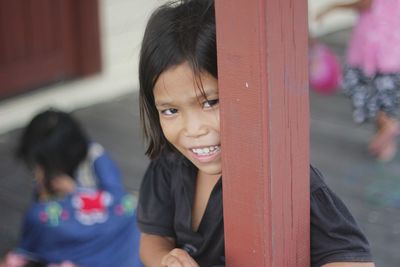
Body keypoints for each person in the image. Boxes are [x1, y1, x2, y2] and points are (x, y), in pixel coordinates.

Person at [136, 0, 376, 266]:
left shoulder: (288, 183)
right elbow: (153, 236)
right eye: (170, 111)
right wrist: (164, 260)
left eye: (211, 102)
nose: (193, 129)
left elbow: (353, 261)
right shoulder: (168, 165)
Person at [1, 109, 143, 267]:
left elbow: (115, 197)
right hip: (70, 225)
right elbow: (43, 204)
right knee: (40, 217)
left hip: (102, 222)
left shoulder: (95, 157)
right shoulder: (45, 169)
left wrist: (75, 191)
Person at [316, 0, 400, 161]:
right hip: (392, 46)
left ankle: (388, 125)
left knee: (354, 83)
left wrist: (332, 8)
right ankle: (386, 142)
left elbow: (368, 3)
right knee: (384, 96)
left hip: (374, 43)